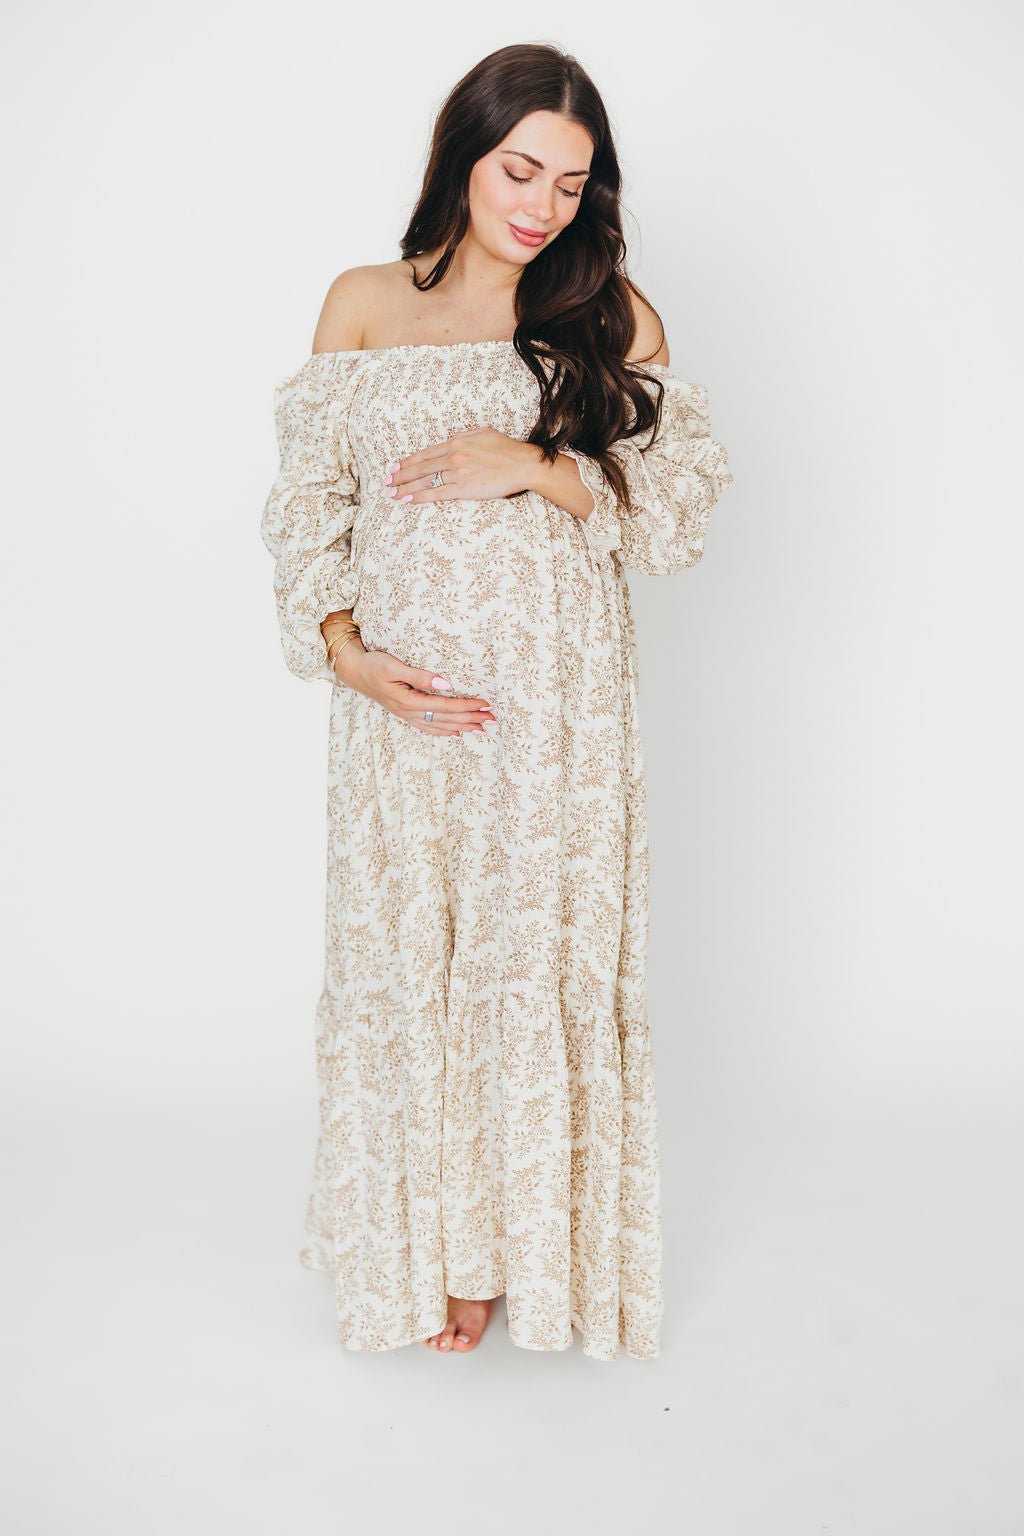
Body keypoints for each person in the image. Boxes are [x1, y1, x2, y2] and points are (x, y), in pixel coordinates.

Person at [260, 42, 733, 1361]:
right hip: (404, 717)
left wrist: (534, 463)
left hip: (556, 717)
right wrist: (345, 651)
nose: (541, 206)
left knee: (529, 963)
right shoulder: (363, 303)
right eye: (520, 170)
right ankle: (440, 1250)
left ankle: (521, 1248)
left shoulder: (605, 311)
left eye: (571, 185)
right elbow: (306, 510)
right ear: (462, 154)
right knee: (415, 961)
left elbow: (682, 503)